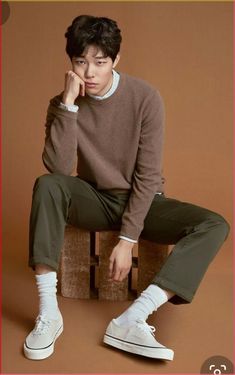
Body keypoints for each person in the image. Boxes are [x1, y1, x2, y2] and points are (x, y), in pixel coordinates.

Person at [23, 15, 230, 361]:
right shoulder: (62, 104)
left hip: (145, 202)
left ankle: (134, 316)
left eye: (100, 62)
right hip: (94, 198)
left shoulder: (145, 98)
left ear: (116, 61)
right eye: (80, 61)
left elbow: (148, 176)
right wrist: (69, 105)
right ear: (71, 62)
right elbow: (59, 169)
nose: (89, 72)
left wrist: (128, 238)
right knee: (46, 186)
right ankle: (48, 313)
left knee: (215, 224)